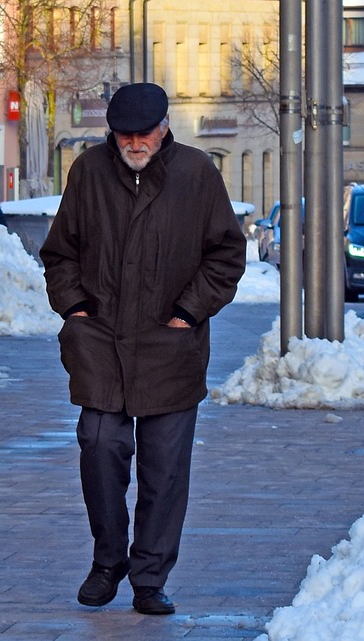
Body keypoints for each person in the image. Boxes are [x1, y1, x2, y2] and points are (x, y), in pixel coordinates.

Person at [39, 83, 246, 615]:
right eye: (123, 134)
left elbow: (225, 255)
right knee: (100, 444)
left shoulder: (197, 174)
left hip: (170, 344)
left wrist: (188, 312)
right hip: (101, 340)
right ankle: (108, 560)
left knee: (165, 468)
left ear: (164, 127)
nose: (134, 142)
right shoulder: (88, 173)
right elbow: (60, 253)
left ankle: (149, 577)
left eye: (143, 133)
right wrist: (76, 309)